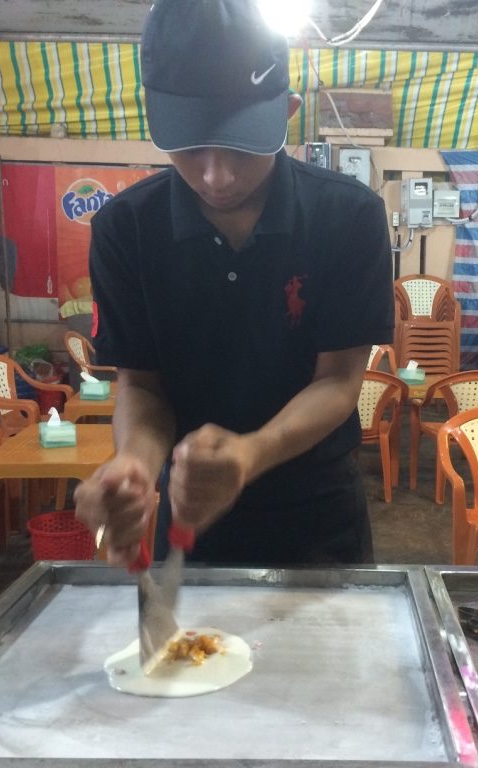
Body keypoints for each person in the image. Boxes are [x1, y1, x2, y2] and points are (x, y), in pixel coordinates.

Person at [74, 0, 394, 568]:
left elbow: (340, 381)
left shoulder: (348, 217)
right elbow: (142, 388)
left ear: (288, 111)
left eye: (241, 145)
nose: (214, 176)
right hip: (191, 511)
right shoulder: (127, 229)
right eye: (190, 146)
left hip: (316, 513)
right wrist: (136, 466)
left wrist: (250, 454)